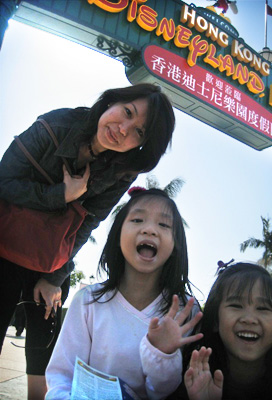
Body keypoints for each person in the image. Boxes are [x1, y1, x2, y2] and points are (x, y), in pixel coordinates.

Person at [0, 83, 175, 399]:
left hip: (47, 259)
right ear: (111, 101)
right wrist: (62, 196)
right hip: (4, 244)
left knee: (43, 341)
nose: (122, 130)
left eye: (138, 132)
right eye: (126, 112)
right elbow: (3, 182)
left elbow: (88, 224)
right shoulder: (54, 127)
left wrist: (54, 278)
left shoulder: (123, 171)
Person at [45, 187, 203, 399]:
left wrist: (163, 354)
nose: (149, 230)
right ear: (118, 234)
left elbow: (165, 393)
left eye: (164, 224)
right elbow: (62, 377)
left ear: (176, 244)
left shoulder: (184, 312)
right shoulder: (87, 302)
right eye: (137, 220)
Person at [176, 262, 272, 400]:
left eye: (263, 308)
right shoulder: (192, 385)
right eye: (236, 305)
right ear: (215, 320)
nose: (249, 319)